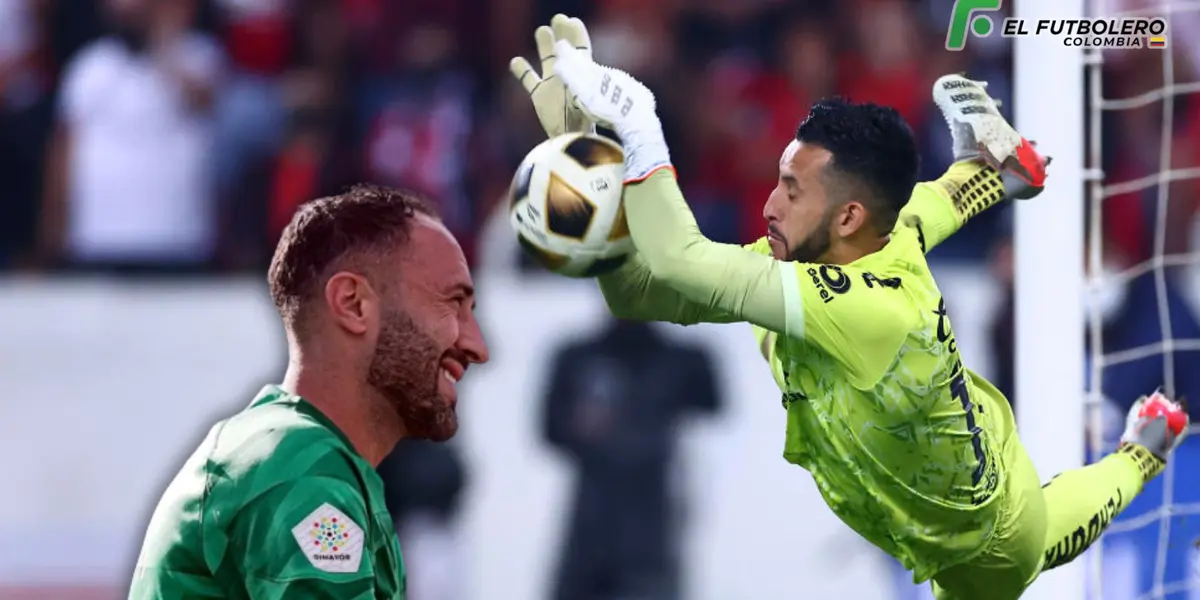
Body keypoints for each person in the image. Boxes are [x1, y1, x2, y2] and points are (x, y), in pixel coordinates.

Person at [510, 16, 1191, 600]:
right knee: (932, 207)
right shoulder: (874, 235)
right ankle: (1001, 170)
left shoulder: (866, 309)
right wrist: (589, 175)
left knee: (1036, 540)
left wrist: (635, 124)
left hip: (983, 545)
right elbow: (639, 293)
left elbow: (678, 261)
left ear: (846, 217)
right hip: (957, 464)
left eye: (791, 190)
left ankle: (1140, 453)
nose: (769, 204)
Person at [128, 184, 488, 598]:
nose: (477, 346)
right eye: (448, 305)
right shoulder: (304, 474)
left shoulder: (288, 452)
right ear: (353, 304)